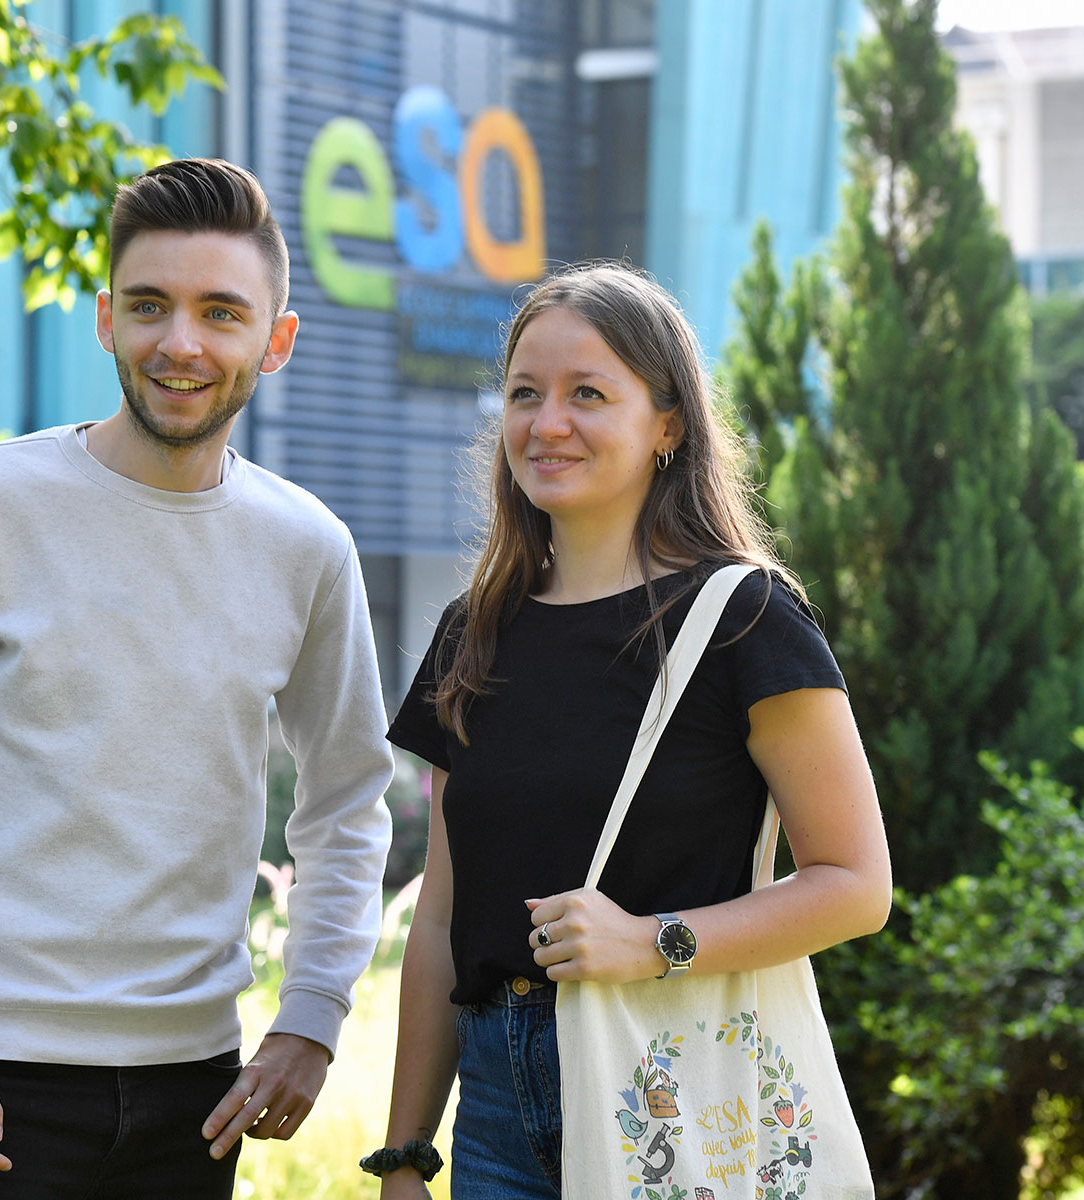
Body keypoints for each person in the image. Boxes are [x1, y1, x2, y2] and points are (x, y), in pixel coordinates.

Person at [0, 157, 395, 1200]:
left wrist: (312, 1017)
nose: (178, 343)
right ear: (104, 319)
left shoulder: (308, 548)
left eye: (219, 313)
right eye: (149, 306)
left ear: (274, 342)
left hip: (196, 1097)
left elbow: (348, 804)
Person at [365, 262, 891, 1198]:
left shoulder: (745, 618)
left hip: (675, 1089)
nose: (546, 422)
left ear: (669, 425)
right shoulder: (473, 630)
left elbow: (856, 886)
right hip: (493, 1113)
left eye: (588, 394)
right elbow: (443, 917)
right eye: (525, 393)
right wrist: (406, 1154)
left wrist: (655, 943)